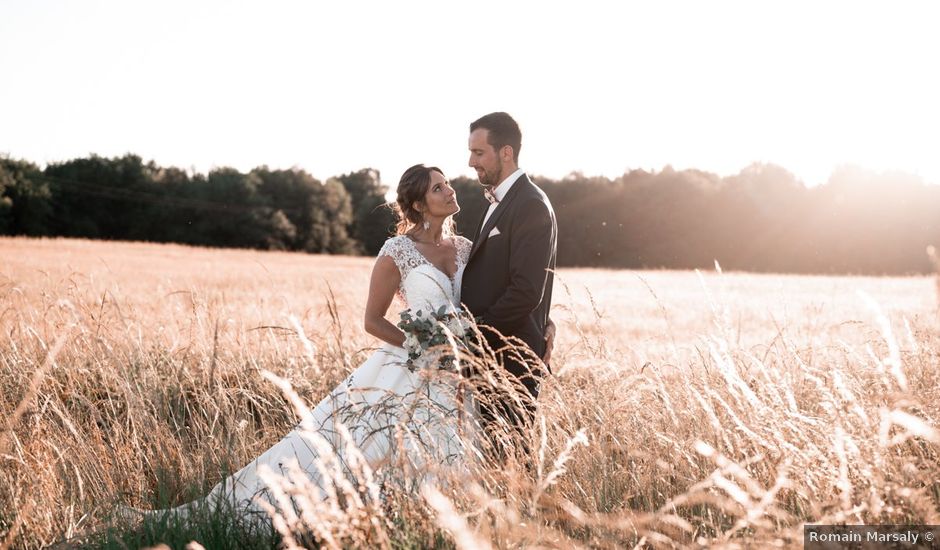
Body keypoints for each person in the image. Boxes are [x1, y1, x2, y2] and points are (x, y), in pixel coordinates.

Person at [126, 164, 481, 523]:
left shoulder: (465, 248)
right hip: (409, 366)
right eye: (438, 188)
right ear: (419, 205)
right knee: (354, 447)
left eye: (447, 183)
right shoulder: (399, 250)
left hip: (455, 374)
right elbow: (372, 320)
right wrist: (422, 347)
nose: (450, 190)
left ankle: (437, 519)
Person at [460, 112, 558, 453]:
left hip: (509, 359)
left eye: (478, 152)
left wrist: (474, 334)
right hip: (490, 358)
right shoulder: (498, 201)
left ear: (506, 152)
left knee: (509, 460)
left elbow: (526, 290)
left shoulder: (529, 204)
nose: (471, 161)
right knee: (489, 459)